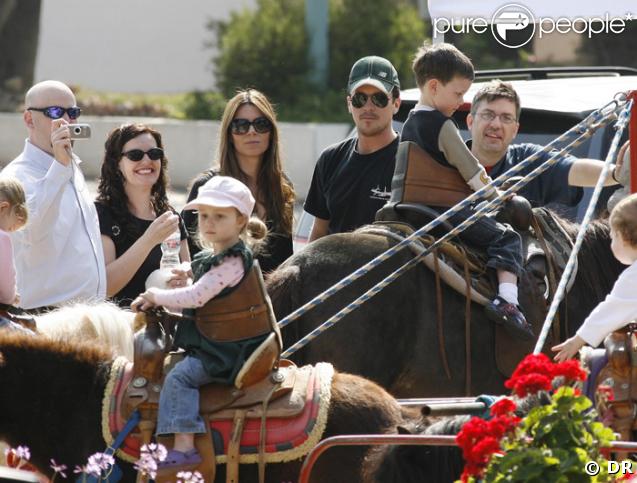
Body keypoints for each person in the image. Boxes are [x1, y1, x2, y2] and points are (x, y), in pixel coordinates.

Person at [131, 176, 268, 470]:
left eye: (220, 216)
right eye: (204, 215)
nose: (209, 223)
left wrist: (157, 295)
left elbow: (197, 296)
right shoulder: (217, 255)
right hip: (217, 339)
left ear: (241, 220)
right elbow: (199, 271)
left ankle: (184, 446)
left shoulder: (232, 261)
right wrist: (184, 272)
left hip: (225, 350)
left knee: (180, 378)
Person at [400, 42, 533, 340]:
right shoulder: (442, 126)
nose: (461, 102)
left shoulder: (408, 123)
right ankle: (508, 301)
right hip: (442, 208)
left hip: (408, 205)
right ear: (434, 87)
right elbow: (471, 170)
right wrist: (494, 196)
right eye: (458, 94)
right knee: (507, 237)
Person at [1, 80, 106, 311]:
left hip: (86, 313)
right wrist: (59, 167)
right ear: (29, 119)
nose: (67, 121)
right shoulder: (15, 177)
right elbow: (32, 232)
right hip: (44, 315)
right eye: (55, 112)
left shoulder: (69, 166)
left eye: (73, 112)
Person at [182, 89, 294, 273]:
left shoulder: (282, 185)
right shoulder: (206, 187)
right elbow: (190, 258)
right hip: (216, 297)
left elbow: (285, 260)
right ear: (229, 134)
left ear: (271, 132)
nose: (251, 132)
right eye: (241, 125)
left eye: (261, 124)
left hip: (271, 299)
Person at [466, 79, 622, 210]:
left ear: (515, 130)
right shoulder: (446, 160)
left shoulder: (528, 160)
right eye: (488, 115)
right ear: (470, 122)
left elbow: (576, 169)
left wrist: (618, 172)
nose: (496, 124)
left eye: (506, 118)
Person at [305, 55, 401, 241]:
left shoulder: (411, 161)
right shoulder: (330, 159)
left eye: (379, 99)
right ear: (350, 104)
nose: (368, 107)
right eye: (360, 99)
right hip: (335, 270)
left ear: (396, 104)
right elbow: (318, 232)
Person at [95, 123, 190, 308]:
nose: (147, 161)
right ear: (117, 164)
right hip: (121, 327)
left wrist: (184, 278)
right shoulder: (102, 213)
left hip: (166, 326)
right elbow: (106, 287)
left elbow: (189, 273)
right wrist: (148, 240)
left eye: (154, 154)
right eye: (135, 155)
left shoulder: (170, 216)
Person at [552, 193, 637, 362]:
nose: (611, 244)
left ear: (625, 239)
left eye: (613, 237)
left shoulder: (632, 278)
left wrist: (577, 341)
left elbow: (611, 309)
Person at [0, 176, 28, 330]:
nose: (8, 232)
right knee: (29, 340)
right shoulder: (2, 238)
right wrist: (11, 296)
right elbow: (6, 280)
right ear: (3, 208)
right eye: (10, 228)